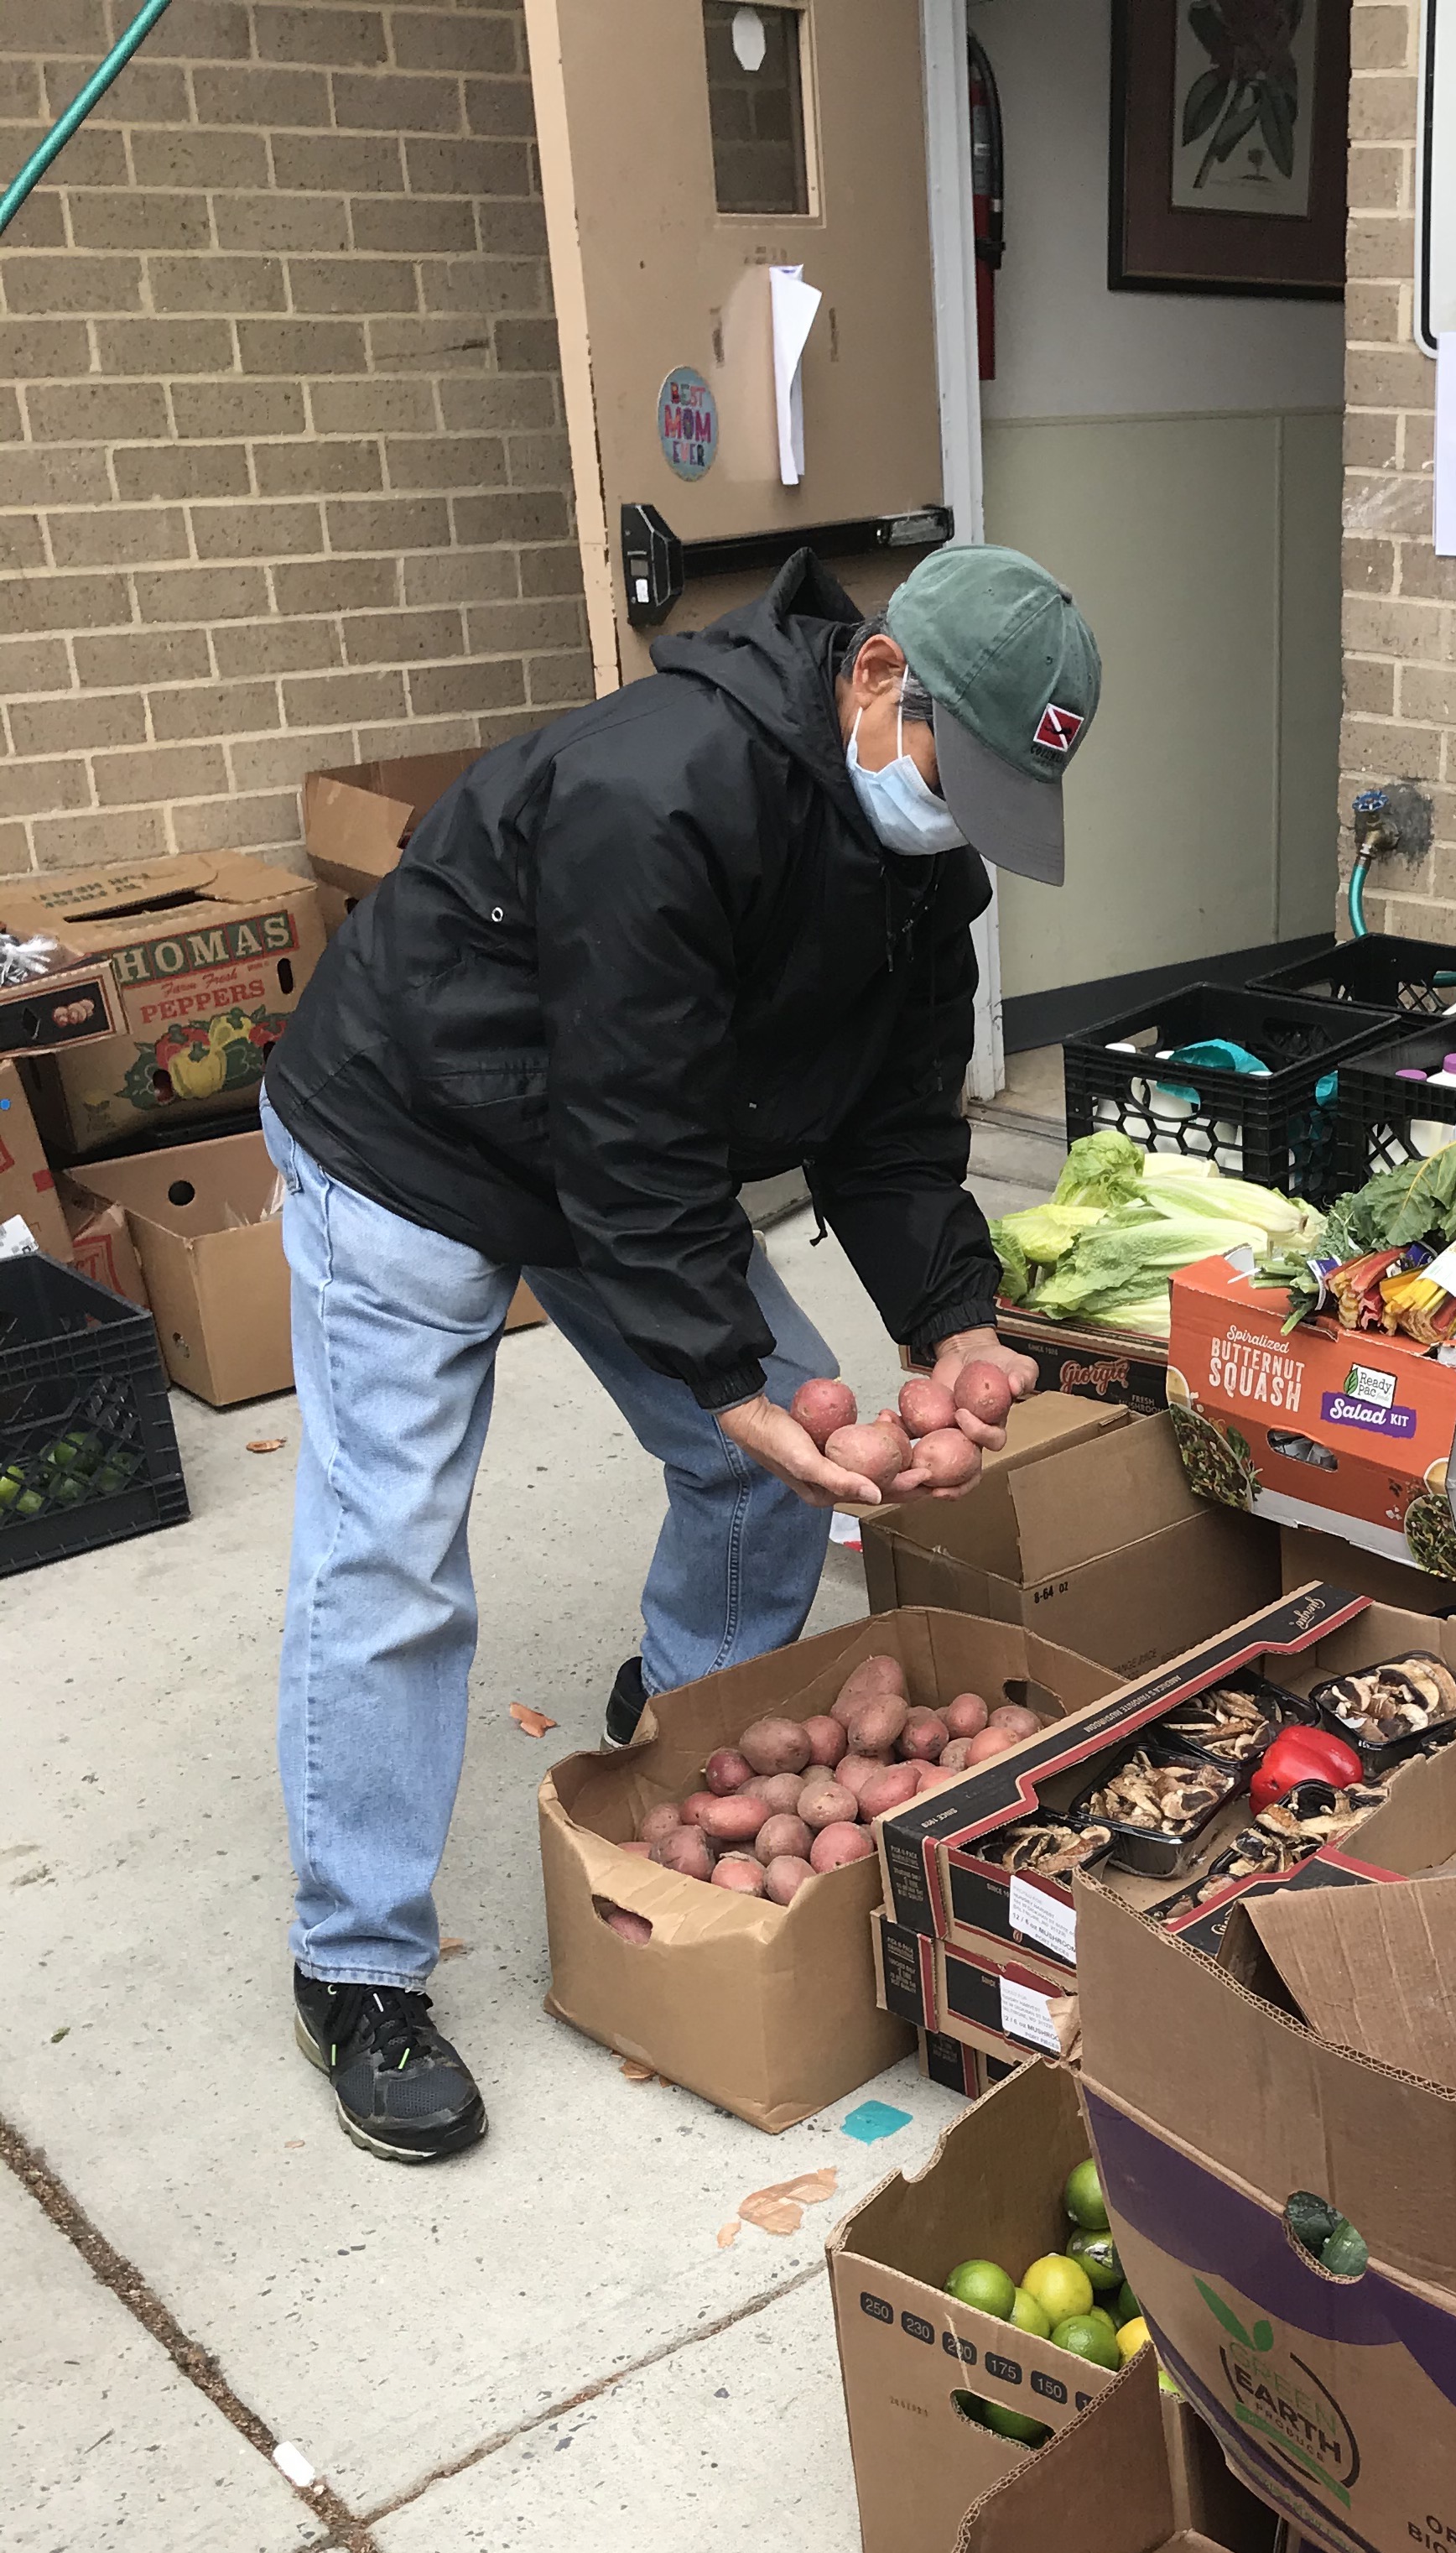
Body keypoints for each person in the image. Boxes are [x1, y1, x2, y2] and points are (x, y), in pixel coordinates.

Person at [259, 540, 1099, 2165]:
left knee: (762, 1471)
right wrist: (732, 1379)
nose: (967, 821)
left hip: (592, 1149)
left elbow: (893, 1123)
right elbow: (634, 1132)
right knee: (396, 1553)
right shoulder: (667, 794)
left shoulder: (928, 863)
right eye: (961, 772)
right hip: (412, 1125)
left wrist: (953, 1317)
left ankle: (689, 1733)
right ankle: (355, 1968)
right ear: (876, 682)